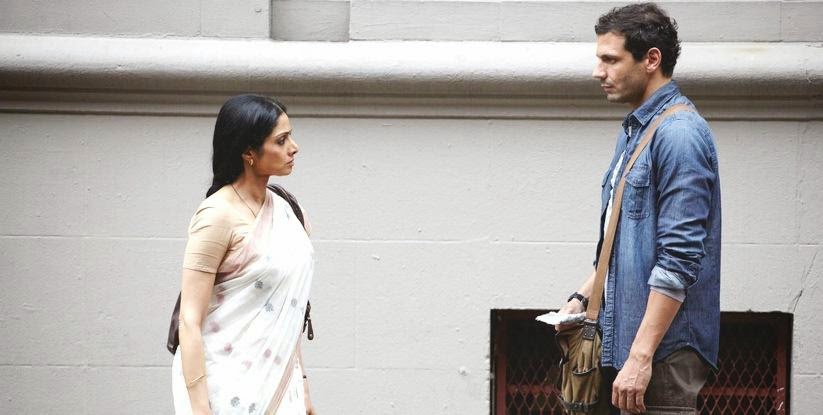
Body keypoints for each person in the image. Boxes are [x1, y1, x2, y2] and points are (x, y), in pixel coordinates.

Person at [556, 3, 721, 414]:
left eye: (610, 60)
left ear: (651, 60)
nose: (598, 72)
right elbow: (620, 243)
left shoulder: (680, 135)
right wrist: (582, 298)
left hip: (659, 358)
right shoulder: (636, 130)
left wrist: (641, 357)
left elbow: (678, 261)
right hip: (623, 347)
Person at [172, 94, 316, 415]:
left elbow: (288, 312)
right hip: (225, 385)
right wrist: (200, 409)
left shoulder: (291, 213)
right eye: (281, 140)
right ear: (249, 152)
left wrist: (302, 385)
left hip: (280, 383)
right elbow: (189, 320)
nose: (294, 147)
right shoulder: (216, 215)